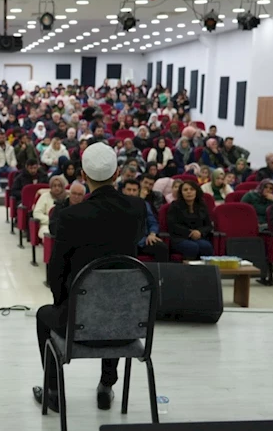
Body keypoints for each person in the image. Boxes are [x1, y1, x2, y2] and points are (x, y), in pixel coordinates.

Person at [34, 142, 146, 413]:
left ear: (83, 177)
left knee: (42, 315)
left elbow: (57, 270)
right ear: (117, 172)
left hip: (79, 320)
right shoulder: (137, 209)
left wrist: (63, 304)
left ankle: (53, 392)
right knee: (116, 297)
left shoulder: (71, 216)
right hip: (129, 322)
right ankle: (107, 385)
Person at [122, 179, 169, 262]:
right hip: (125, 241)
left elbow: (153, 222)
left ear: (138, 191)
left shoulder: (144, 204)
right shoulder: (118, 205)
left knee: (162, 248)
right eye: (129, 190)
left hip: (144, 240)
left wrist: (152, 234)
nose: (131, 193)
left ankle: (160, 274)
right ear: (123, 190)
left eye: (134, 190)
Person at [166, 181, 214, 260]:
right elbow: (172, 225)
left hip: (198, 237)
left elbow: (208, 226)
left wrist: (199, 232)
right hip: (180, 238)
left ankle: (206, 270)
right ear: (181, 193)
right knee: (192, 247)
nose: (189, 192)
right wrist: (190, 233)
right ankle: (188, 271)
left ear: (196, 191)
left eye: (191, 189)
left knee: (206, 246)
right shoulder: (175, 206)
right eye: (185, 190)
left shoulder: (202, 206)